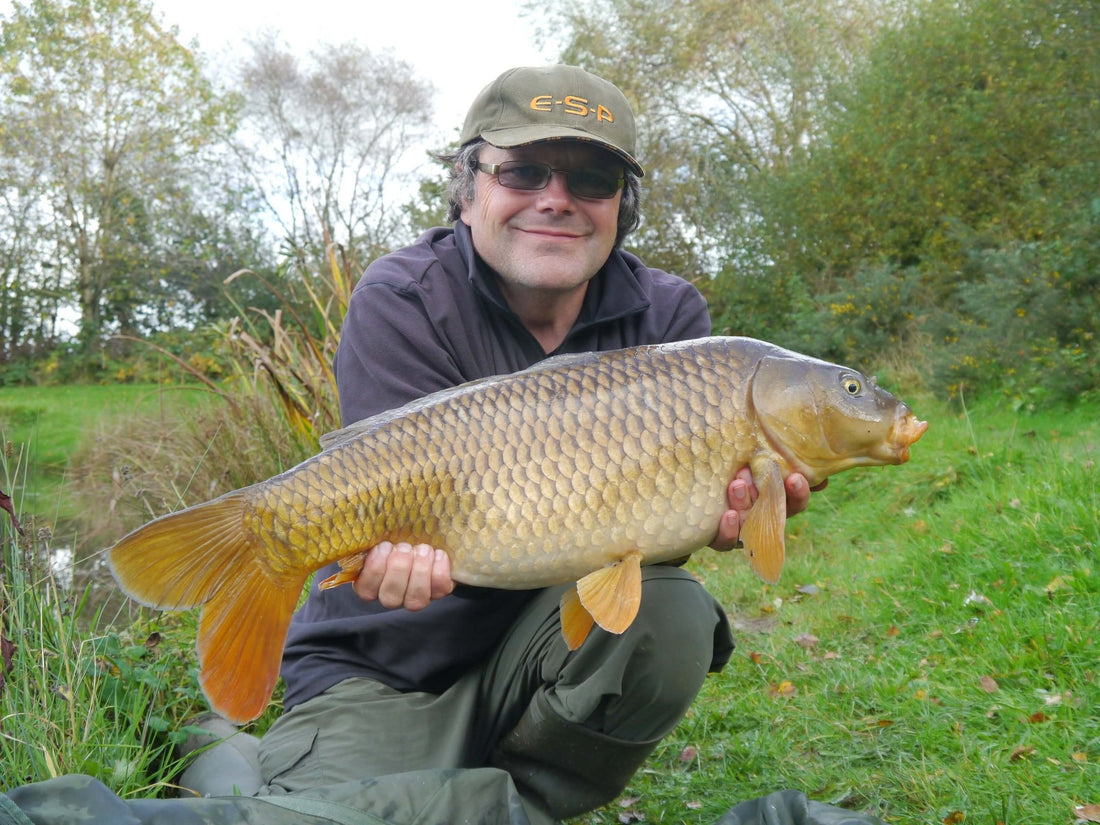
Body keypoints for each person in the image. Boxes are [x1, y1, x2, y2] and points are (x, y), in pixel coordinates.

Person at [0, 65, 884, 825]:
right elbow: (387, 491)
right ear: (469, 189)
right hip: (388, 664)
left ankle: (516, 794)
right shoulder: (403, 297)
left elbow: (656, 534)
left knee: (672, 610)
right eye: (526, 169)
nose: (556, 198)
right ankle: (229, 751)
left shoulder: (674, 322)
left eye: (591, 179)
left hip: (540, 658)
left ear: (623, 204)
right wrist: (353, 546)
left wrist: (731, 515)